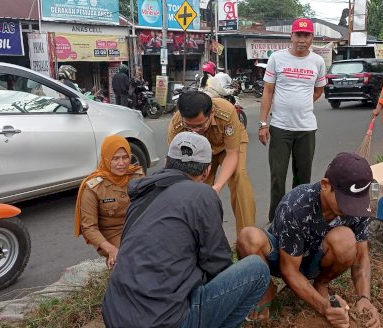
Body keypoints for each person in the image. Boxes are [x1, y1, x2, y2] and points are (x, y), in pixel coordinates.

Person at [102, 132, 270, 328]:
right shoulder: (202, 194)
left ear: (166, 162)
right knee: (257, 269)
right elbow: (217, 263)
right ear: (207, 171)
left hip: (115, 315)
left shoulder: (141, 194)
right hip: (163, 322)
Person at [236, 152, 381, 328]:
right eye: (346, 200)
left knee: (346, 240)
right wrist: (324, 307)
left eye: (356, 202)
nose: (351, 208)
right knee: (248, 237)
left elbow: (360, 256)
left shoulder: (358, 207)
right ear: (325, 185)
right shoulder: (295, 205)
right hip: (283, 258)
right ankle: (266, 289)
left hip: (317, 260)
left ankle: (321, 284)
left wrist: (364, 297)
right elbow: (289, 270)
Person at [259, 17, 327, 222]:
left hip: (306, 129)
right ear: (291, 36)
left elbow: (319, 90)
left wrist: (302, 105)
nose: (302, 39)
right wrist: (263, 124)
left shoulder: (318, 61)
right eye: (298, 34)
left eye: (306, 35)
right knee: (278, 179)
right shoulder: (277, 59)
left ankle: (298, 220)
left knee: (302, 179)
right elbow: (268, 91)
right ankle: (276, 222)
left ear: (312, 38)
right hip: (280, 128)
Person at [167, 90, 255, 235]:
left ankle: (247, 237)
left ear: (211, 113)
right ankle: (205, 238)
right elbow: (174, 161)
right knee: (198, 189)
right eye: (189, 126)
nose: (195, 131)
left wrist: (217, 187)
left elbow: (232, 153)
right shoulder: (176, 126)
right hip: (197, 153)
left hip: (226, 147)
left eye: (200, 126)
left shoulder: (226, 111)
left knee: (239, 177)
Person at [74, 135, 143, 269]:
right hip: (113, 235)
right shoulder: (93, 187)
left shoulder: (137, 176)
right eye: (115, 158)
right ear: (106, 158)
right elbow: (89, 228)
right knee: (130, 260)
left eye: (125, 157)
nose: (121, 163)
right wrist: (111, 249)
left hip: (138, 228)